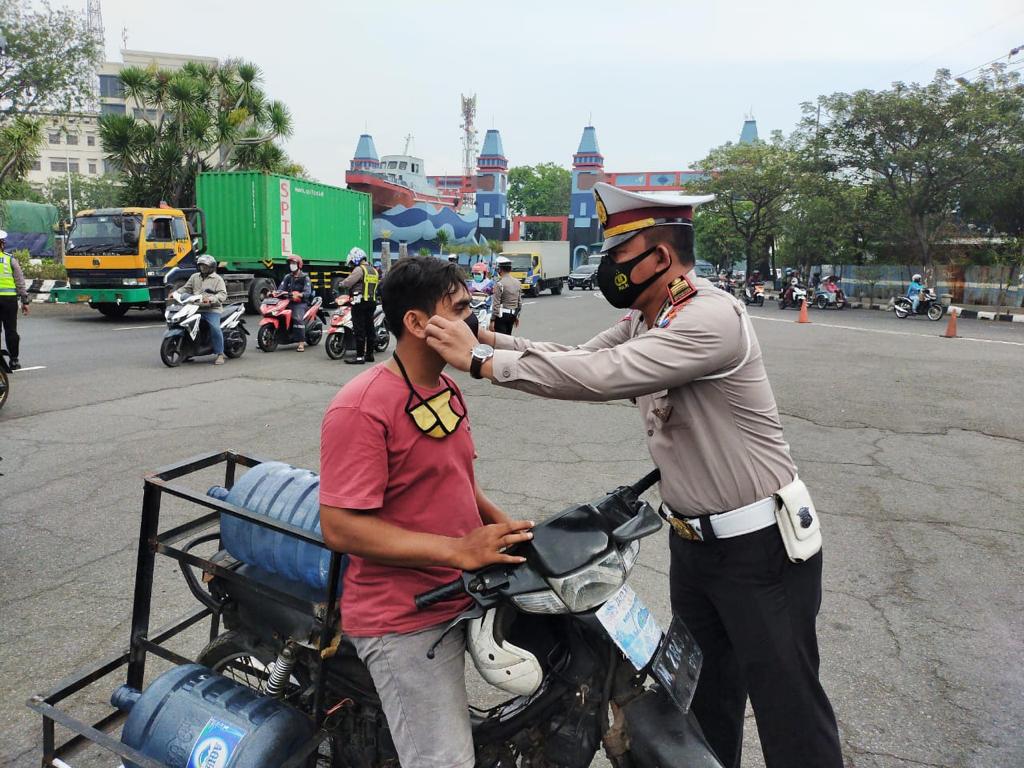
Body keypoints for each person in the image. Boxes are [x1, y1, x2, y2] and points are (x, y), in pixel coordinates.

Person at [424, 182, 844, 768]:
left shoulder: (708, 318)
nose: (607, 267)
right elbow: (574, 355)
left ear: (660, 259)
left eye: (620, 255)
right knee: (700, 700)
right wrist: (488, 338)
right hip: (696, 545)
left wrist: (477, 361)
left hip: (760, 548)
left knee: (789, 709)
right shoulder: (647, 318)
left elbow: (600, 376)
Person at [318, 255, 534, 768]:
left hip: (459, 590)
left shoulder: (447, 386)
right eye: (460, 310)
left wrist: (504, 528)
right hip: (402, 619)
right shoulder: (361, 406)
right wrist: (459, 549)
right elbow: (340, 526)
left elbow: (458, 483)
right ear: (416, 323)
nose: (473, 321)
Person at [176, 254, 227, 364]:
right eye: (201, 266)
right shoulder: (195, 277)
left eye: (205, 266)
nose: (203, 268)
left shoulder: (217, 279)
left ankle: (220, 354)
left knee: (215, 328)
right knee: (184, 325)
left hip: (212, 310)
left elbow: (222, 295)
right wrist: (175, 293)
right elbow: (186, 288)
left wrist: (211, 299)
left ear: (212, 267)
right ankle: (187, 351)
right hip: (194, 308)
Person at [339, 247, 380, 364]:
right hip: (371, 302)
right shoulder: (373, 270)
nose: (351, 263)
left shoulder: (359, 269)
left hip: (359, 303)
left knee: (359, 330)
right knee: (370, 329)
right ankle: (370, 355)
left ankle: (359, 357)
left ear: (357, 258)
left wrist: (341, 284)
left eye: (352, 261)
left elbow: (349, 282)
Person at [0, 231, 30, 370]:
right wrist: (25, 301)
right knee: (11, 330)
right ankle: (14, 360)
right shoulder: (9, 259)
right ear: (2, 244)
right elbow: (20, 281)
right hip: (9, 300)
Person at [277, 253, 312, 351]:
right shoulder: (288, 276)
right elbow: (281, 288)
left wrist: (299, 294)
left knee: (297, 318)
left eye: (293, 263)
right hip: (288, 301)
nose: (291, 265)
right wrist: (273, 292)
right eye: (290, 263)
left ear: (299, 265)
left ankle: (301, 343)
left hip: (300, 303)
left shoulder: (305, 277)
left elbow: (307, 292)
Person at [490, 256, 521, 335]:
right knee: (508, 338)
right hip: (512, 315)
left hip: (501, 316)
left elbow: (496, 304)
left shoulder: (499, 283)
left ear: (500, 269)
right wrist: (516, 316)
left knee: (501, 340)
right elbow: (519, 303)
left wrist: (492, 320)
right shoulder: (517, 282)